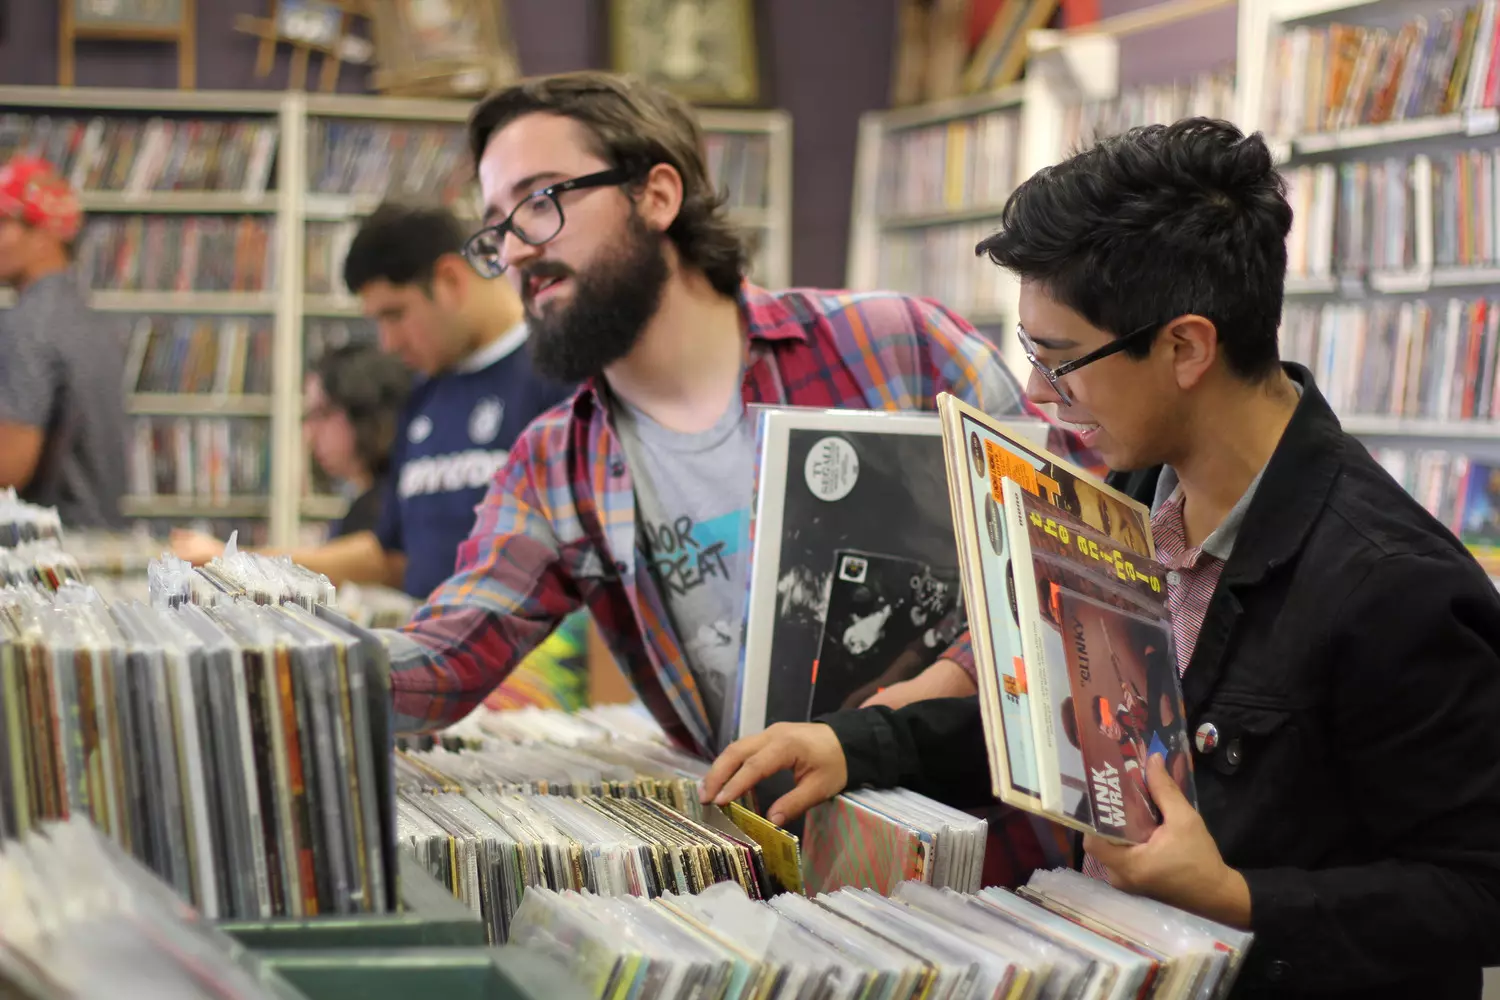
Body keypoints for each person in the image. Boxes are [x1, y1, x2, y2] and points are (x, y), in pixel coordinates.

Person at [700, 118, 1500, 999]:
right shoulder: (1129, 496)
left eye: (1062, 360)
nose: (1040, 396)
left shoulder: (1393, 585)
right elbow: (1074, 735)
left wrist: (1235, 896)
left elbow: (1477, 889)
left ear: (1187, 346)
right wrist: (859, 743)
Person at [378, 68, 1095, 885]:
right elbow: (445, 657)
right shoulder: (556, 464)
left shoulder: (896, 346)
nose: (513, 250)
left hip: (1000, 867)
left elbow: (1079, 547)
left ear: (656, 195)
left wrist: (939, 687)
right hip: (785, 887)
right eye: (495, 228)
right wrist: (259, 663)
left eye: (540, 200)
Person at [172, 202, 576, 601]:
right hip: (436, 654)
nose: (387, 343)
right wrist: (239, 564)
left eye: (395, 314)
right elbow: (388, 557)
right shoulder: (423, 397)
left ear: (450, 280)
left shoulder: (560, 376)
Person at [0, 155, 127, 529]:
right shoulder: (91, 321)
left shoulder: (27, 324)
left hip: (43, 560)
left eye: (4, 221)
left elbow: (9, 466)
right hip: (95, 547)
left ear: (44, 233)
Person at [301, 343, 413, 539]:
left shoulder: (389, 508)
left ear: (365, 411)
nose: (309, 433)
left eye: (323, 414)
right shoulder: (365, 500)